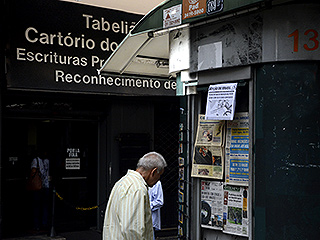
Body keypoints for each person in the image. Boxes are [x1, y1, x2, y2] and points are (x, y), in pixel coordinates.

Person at [103, 152, 167, 240]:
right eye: (159, 175)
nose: (158, 179)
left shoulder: (123, 181)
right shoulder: (138, 189)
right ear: (153, 172)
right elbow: (132, 229)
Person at [30, 151, 50, 231]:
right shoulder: (47, 161)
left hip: (38, 186)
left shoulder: (36, 160)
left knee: (37, 206)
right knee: (45, 205)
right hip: (46, 185)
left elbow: (33, 171)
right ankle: (44, 223)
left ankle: (37, 224)